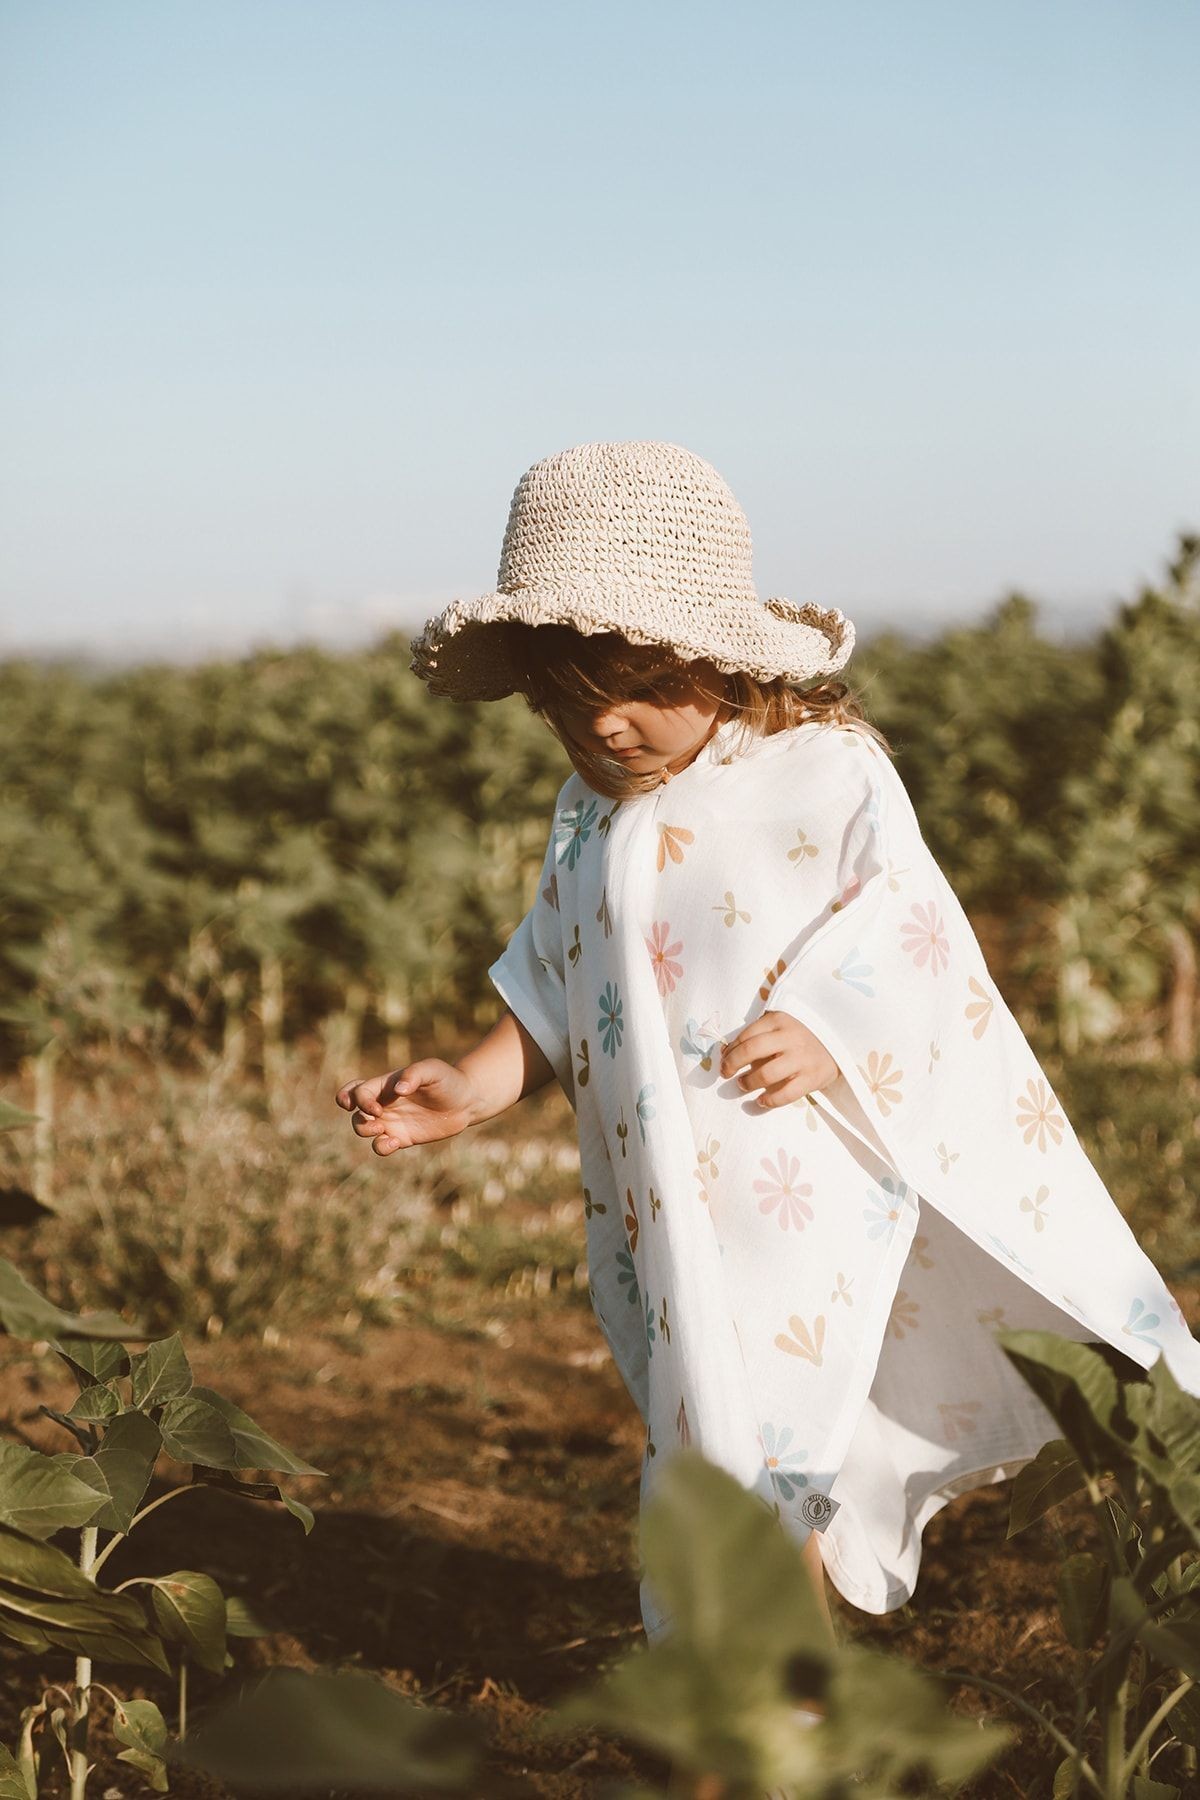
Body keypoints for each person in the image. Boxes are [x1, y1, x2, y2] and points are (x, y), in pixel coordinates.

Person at [336, 439, 1199, 1714]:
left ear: (718, 656)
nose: (601, 727)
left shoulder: (822, 776)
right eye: (564, 706)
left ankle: (780, 1711)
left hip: (797, 1194)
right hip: (656, 1215)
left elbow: (909, 933)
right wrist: (467, 1087)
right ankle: (777, 1689)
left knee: (761, 1448)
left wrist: (833, 1028)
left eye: (631, 689)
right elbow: (553, 979)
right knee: (710, 1433)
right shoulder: (588, 819)